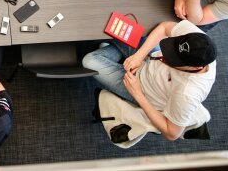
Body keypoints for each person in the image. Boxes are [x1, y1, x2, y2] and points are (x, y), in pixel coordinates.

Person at [82, 20, 217, 141]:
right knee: (115, 25)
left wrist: (138, 95)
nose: (164, 58)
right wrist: (139, 56)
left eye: (174, 60)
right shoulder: (197, 40)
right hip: (148, 58)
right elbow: (164, 27)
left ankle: (115, 49)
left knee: (89, 61)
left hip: (142, 89)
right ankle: (117, 49)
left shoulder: (187, 93)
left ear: (194, 67)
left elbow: (172, 134)